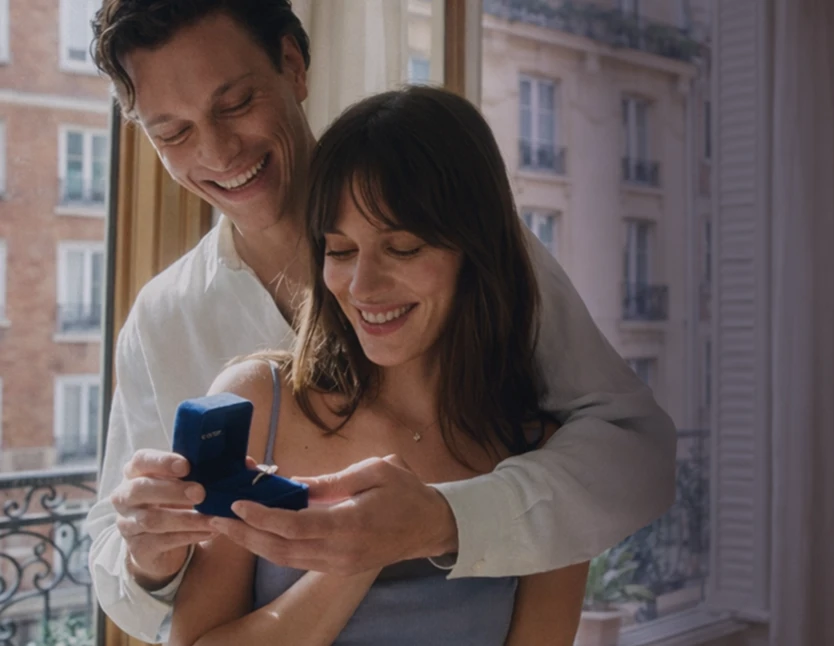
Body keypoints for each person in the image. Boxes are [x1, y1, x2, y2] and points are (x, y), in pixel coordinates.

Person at [82, 1, 676, 641]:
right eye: (173, 133)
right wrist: (148, 559)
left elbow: (634, 451)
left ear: (292, 64)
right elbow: (133, 578)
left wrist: (441, 521)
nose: (218, 151)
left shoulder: (486, 261)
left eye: (234, 104)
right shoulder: (166, 321)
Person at [167, 85, 588, 646]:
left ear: (477, 252)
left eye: (403, 248)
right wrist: (354, 558)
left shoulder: (546, 460)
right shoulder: (254, 404)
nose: (362, 287)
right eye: (340, 251)